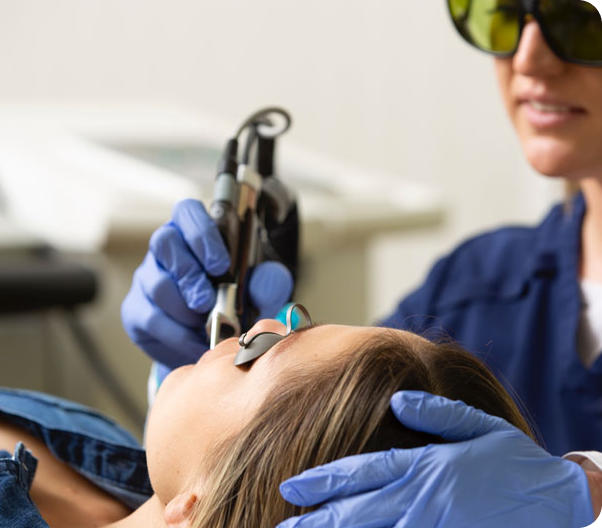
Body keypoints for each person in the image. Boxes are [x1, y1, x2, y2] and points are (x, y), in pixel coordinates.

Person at [121, 1, 602, 526]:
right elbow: (319, 441)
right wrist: (212, 374)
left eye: (582, 22)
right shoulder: (479, 283)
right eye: (501, 13)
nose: (530, 59)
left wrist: (590, 494)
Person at [1, 312, 575, 527]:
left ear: (198, 509)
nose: (256, 323)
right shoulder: (117, 471)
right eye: (295, 319)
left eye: (257, 353)